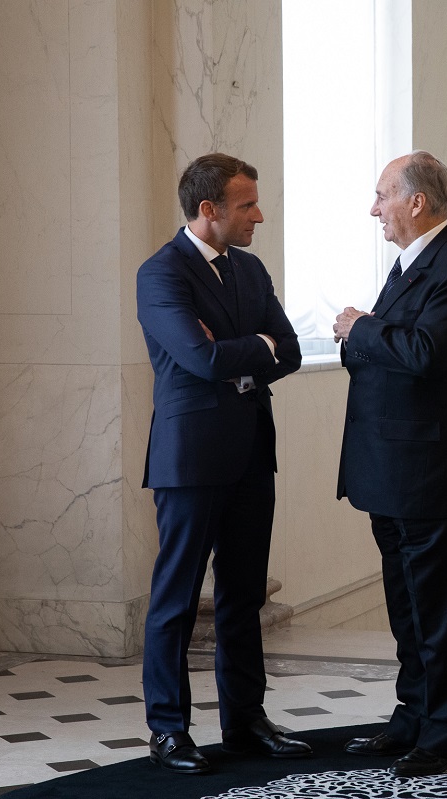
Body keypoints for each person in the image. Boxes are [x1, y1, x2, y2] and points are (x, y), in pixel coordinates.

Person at [333, 150, 447, 778]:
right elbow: (392, 352)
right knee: (409, 612)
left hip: (441, 477)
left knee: (444, 616)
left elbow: (425, 353)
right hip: (395, 474)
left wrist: (359, 327)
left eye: (382, 195)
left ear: (416, 203)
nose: (373, 208)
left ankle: (445, 736)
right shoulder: (409, 265)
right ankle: (412, 718)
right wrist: (364, 337)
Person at [136, 153, 309, 774]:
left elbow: (287, 350)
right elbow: (198, 361)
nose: (259, 216)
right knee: (177, 598)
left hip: (250, 454)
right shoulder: (161, 275)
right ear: (208, 210)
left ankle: (244, 721)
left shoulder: (251, 269)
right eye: (247, 205)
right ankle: (167, 730)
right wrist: (252, 349)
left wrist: (247, 349)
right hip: (191, 459)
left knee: (242, 596)